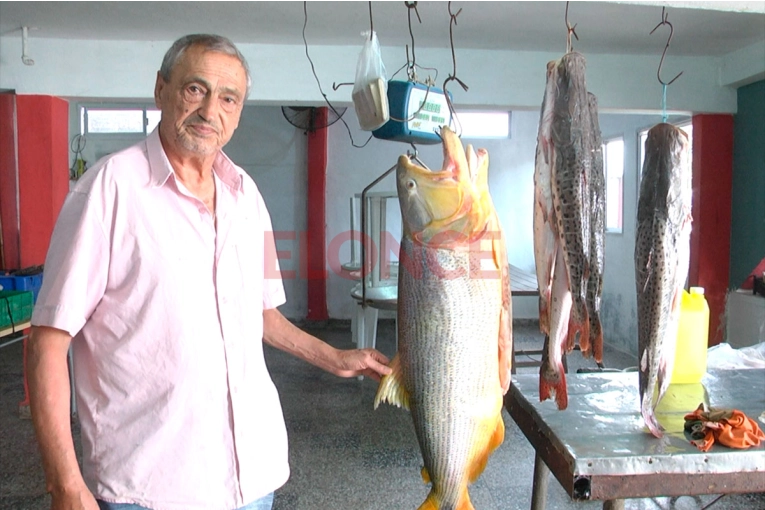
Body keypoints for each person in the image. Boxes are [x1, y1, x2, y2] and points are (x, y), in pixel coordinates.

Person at [26, 34, 391, 510]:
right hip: (149, 486)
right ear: (161, 90)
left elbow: (261, 315)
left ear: (238, 112)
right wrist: (66, 484)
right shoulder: (109, 191)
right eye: (195, 90)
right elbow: (48, 341)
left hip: (252, 476)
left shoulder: (245, 195)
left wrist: (335, 358)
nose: (209, 111)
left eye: (228, 98)